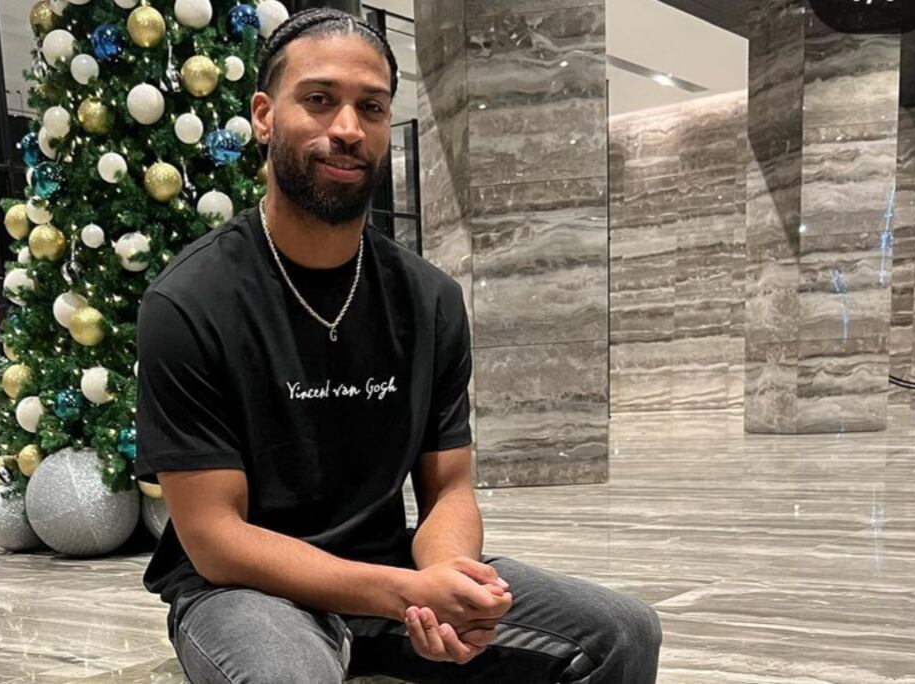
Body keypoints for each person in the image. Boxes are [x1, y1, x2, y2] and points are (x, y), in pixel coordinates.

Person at [134, 9, 662, 683]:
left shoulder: (429, 299)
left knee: (622, 632)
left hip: (391, 568)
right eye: (319, 99)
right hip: (246, 592)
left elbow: (449, 488)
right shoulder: (189, 301)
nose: (348, 129)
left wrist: (445, 581)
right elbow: (216, 540)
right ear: (264, 116)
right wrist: (403, 592)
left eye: (372, 107)